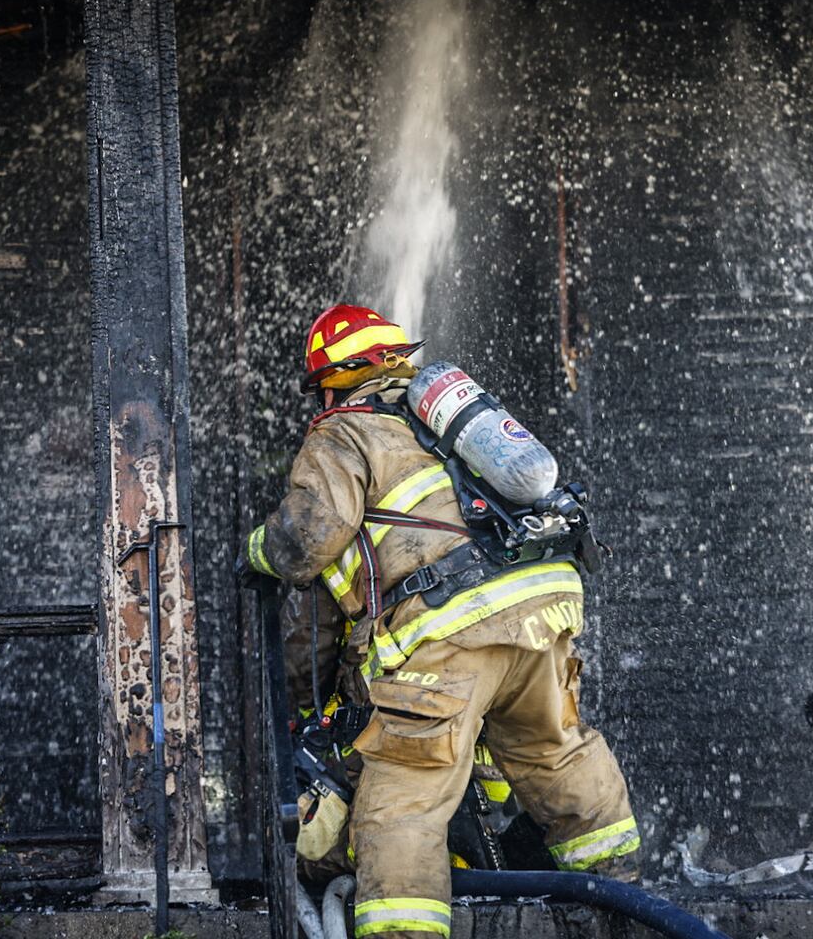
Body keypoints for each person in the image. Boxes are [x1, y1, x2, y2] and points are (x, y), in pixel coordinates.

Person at [238, 304, 637, 939]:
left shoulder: (344, 433)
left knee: (403, 799)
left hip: (450, 628)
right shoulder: (456, 427)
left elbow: (309, 537)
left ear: (333, 380)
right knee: (555, 753)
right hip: (545, 610)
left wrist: (257, 551)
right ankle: (625, 904)